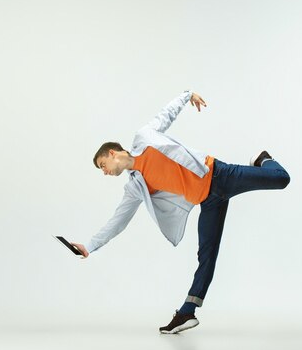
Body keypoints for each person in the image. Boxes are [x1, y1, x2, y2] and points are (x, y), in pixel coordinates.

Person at [71, 90, 290, 334]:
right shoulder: (135, 186)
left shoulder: (144, 138)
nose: (105, 172)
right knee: (206, 255)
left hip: (218, 175)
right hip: (207, 201)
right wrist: (90, 246)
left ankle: (262, 158)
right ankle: (187, 313)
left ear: (112, 153)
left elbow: (165, 115)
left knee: (281, 179)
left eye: (103, 165)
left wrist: (187, 96)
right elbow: (117, 221)